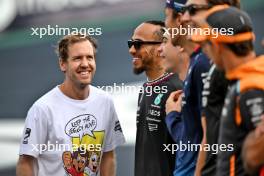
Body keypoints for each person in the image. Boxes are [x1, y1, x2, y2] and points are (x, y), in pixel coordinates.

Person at [16, 34, 126, 176]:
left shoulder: (105, 102)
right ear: (63, 64)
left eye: (89, 57)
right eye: (77, 58)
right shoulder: (42, 109)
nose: (85, 64)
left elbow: (108, 155)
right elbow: (26, 162)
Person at [190, 5, 264, 175]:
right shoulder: (244, 80)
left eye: (205, 44)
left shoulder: (250, 88)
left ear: (217, 46)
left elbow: (255, 159)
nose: (204, 51)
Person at [181, 0, 240, 175]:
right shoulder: (214, 69)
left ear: (220, 9)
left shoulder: (207, 65)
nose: (184, 18)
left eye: (192, 10)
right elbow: (209, 137)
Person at [128, 20, 182, 176]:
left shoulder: (176, 89)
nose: (132, 50)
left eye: (138, 44)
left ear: (161, 47)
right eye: (130, 43)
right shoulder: (145, 89)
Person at [164, 0, 211, 175]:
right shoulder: (196, 63)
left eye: (166, 17)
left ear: (179, 19)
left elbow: (209, 136)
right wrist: (173, 117)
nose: (166, 25)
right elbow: (190, 137)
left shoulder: (202, 63)